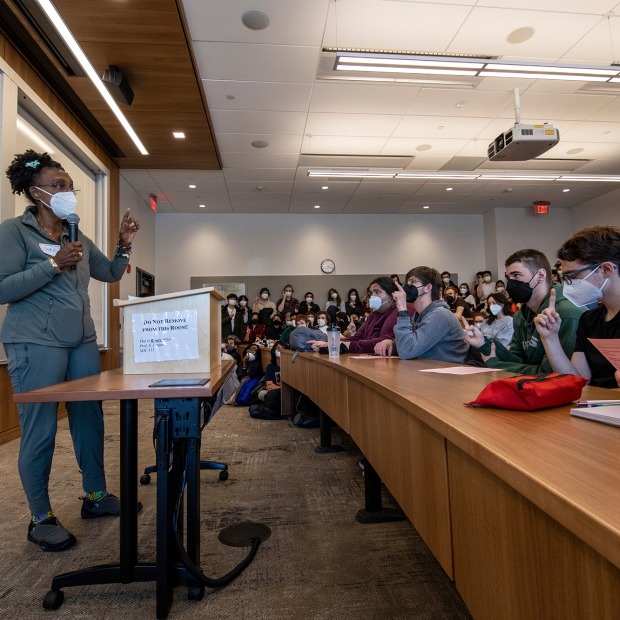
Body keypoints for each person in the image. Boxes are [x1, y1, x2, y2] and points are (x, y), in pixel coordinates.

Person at [0, 149, 140, 551]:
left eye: (70, 186)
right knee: (40, 428)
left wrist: (123, 244)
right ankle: (40, 518)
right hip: (35, 341)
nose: (68, 192)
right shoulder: (14, 232)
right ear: (35, 192)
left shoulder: (77, 235)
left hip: (81, 340)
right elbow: (2, 288)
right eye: (58, 185)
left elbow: (111, 273)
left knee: (89, 420)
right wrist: (51, 265)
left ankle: (95, 497)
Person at [463, 249, 584, 374]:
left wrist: (494, 364)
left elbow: (550, 374)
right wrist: (483, 343)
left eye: (516, 275)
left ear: (541, 275)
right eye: (508, 277)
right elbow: (517, 361)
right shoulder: (521, 315)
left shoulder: (566, 313)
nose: (510, 283)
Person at [534, 226, 620, 388]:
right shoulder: (589, 320)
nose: (568, 284)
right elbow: (578, 382)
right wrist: (550, 338)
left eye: (573, 276)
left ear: (606, 269)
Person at [375, 267, 469, 363]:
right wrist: (393, 345)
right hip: (427, 371)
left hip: (447, 374)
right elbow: (414, 343)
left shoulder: (440, 315)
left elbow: (407, 351)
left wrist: (402, 310)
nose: (406, 287)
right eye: (407, 283)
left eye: (412, 282)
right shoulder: (418, 316)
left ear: (428, 288)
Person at [311, 277, 415, 354]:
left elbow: (382, 343)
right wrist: (328, 343)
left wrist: (343, 345)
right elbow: (356, 338)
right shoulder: (374, 314)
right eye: (371, 293)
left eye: (377, 292)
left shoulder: (401, 310)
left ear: (393, 295)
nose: (373, 296)